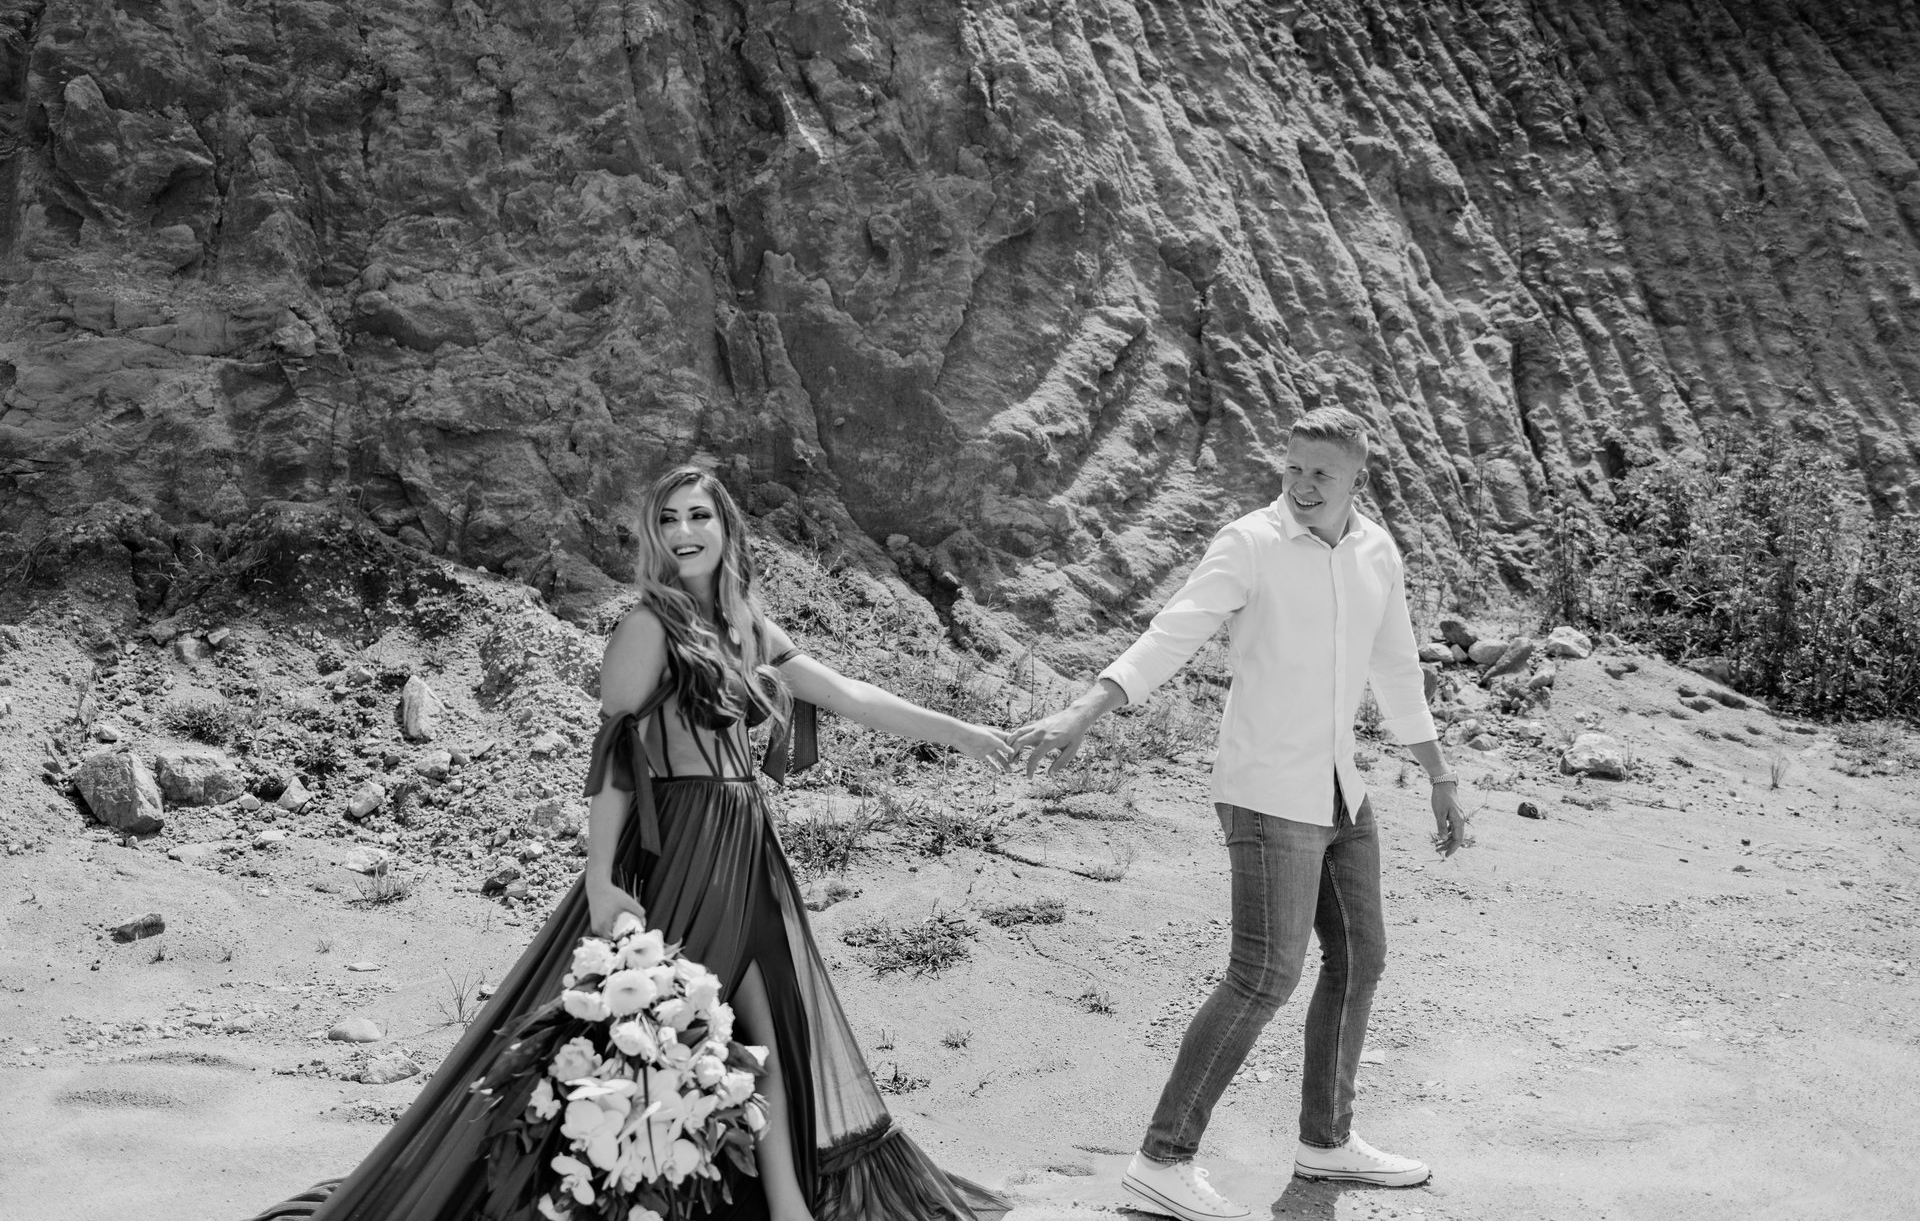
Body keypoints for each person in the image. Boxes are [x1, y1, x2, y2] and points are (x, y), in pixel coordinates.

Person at [250, 465, 1015, 1221]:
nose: (684, 532)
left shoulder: (746, 625)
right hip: (678, 844)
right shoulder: (648, 625)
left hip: (748, 843)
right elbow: (617, 760)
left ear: (727, 528)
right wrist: (598, 878)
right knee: (657, 1029)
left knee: (771, 1026)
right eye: (668, 519)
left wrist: (964, 733)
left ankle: (788, 1207)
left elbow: (849, 694)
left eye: (699, 516)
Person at [1012, 407, 1470, 1221]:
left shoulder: (1376, 551)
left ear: (1357, 478)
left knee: (1359, 958)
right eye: (1292, 468)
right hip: (1266, 788)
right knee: (1263, 975)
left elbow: (1398, 668)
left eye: (1321, 473)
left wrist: (1438, 774)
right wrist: (1086, 708)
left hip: (1339, 788)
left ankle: (1326, 1141)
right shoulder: (1250, 542)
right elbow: (1173, 633)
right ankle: (1163, 1159)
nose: (1302, 485)